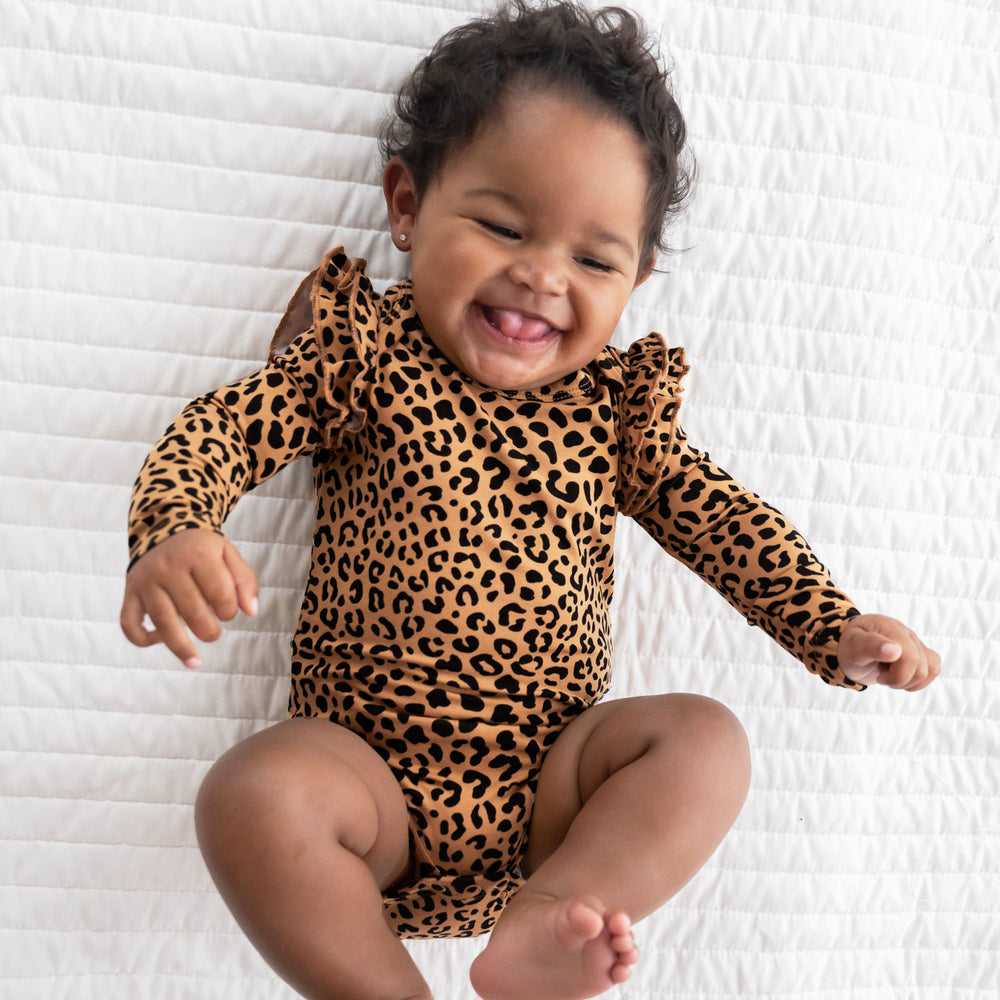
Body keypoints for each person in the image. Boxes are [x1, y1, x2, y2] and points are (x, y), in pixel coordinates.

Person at [119, 3, 941, 999]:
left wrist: (833, 625)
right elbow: (223, 428)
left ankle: (552, 922)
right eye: (501, 225)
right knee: (249, 794)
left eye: (594, 261)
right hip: (365, 784)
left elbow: (725, 522)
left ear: (637, 278)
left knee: (704, 740)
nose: (542, 275)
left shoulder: (613, 416)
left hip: (552, 793)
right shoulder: (365, 358)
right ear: (407, 206)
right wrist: (175, 527)